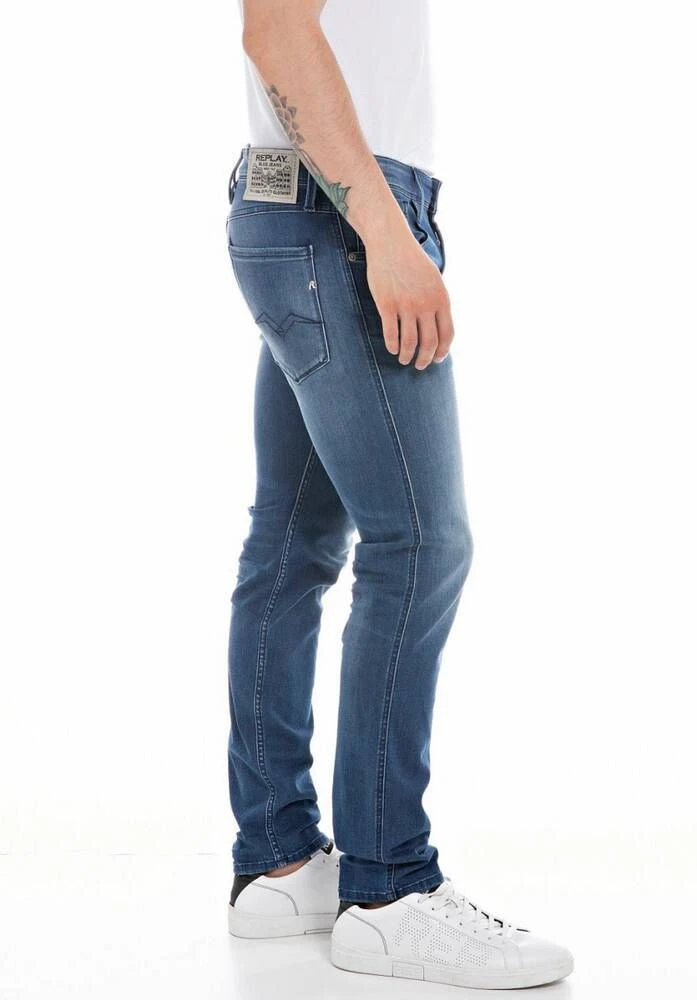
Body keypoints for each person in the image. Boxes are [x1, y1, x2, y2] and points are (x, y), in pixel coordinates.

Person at [224, 0, 573, 989]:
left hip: (296, 199)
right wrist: (383, 228)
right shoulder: (362, 216)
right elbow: (274, 29)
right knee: (419, 543)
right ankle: (387, 891)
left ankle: (279, 863)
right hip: (342, 210)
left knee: (292, 541)